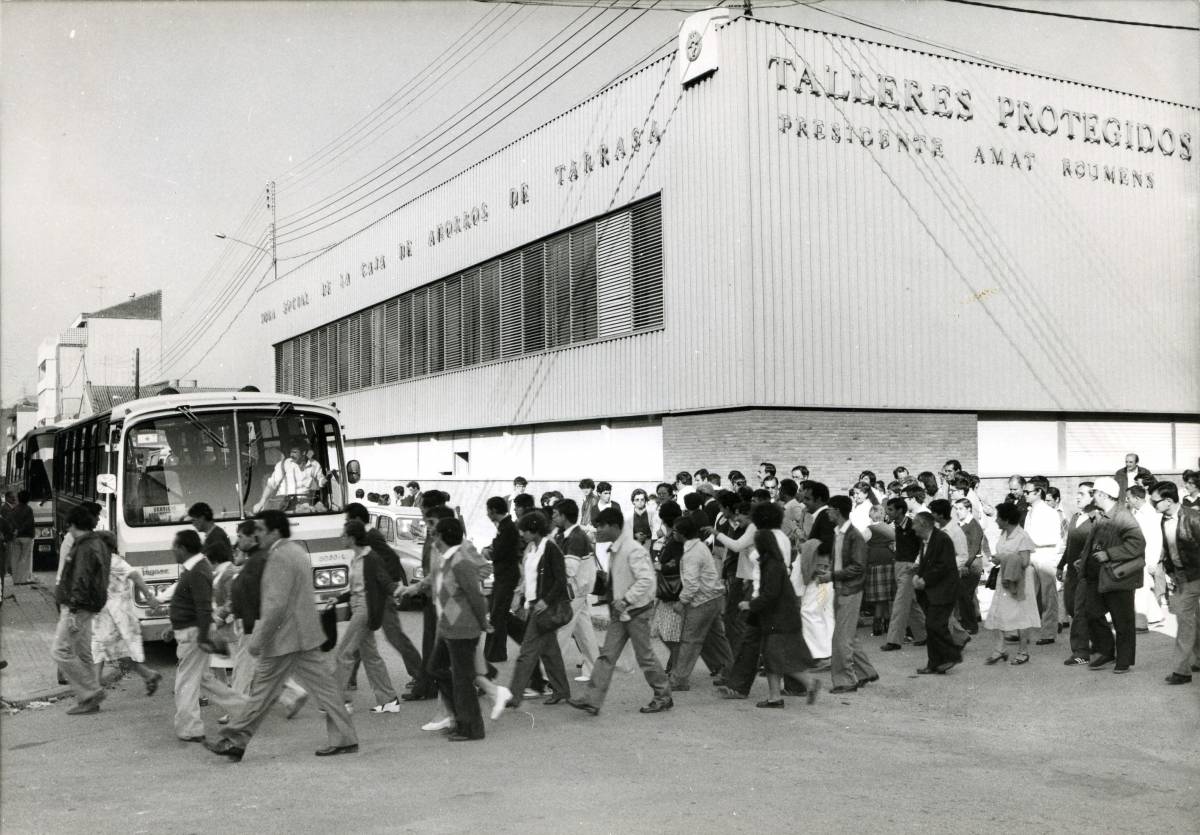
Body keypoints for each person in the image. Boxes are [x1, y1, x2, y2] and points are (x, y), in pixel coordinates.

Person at [206, 510, 358, 761]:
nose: (258, 535)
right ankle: (345, 739)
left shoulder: (277, 557)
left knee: (261, 694)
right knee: (326, 691)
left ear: (275, 531)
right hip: (302, 636)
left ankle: (235, 740)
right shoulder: (295, 551)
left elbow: (275, 605)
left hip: (284, 640)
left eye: (261, 530)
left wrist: (257, 641)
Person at [568, 503, 672, 716]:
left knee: (645, 657)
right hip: (622, 611)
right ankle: (592, 699)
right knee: (606, 656)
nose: (598, 531)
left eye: (601, 526)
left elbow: (647, 580)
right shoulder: (618, 548)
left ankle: (663, 696)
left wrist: (626, 599)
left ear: (614, 526)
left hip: (635, 610)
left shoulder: (632, 549)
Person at [169, 529, 248, 742]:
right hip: (191, 631)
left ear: (184, 548)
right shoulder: (197, 568)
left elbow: (203, 608)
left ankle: (190, 728)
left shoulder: (197, 571)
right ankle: (246, 710)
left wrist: (204, 636)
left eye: (175, 546)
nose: (172, 550)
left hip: (193, 634)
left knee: (185, 682)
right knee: (205, 681)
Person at [228, 520, 307, 716]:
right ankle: (293, 694)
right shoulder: (255, 559)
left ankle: (236, 710)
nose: (237, 542)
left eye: (240, 537)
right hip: (254, 621)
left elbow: (257, 595)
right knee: (260, 666)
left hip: (252, 622)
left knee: (244, 668)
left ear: (252, 537)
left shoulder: (257, 561)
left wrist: (245, 621)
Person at [425, 516, 491, 740]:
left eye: (435, 533)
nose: (432, 536)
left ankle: (471, 728)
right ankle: (460, 718)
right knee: (436, 669)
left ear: (442, 537)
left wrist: (483, 623)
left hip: (462, 628)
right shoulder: (446, 558)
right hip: (448, 627)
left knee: (462, 680)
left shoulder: (460, 561)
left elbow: (475, 595)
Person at [345, 503, 424, 685]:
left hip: (380, 597)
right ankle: (348, 677)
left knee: (394, 636)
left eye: (348, 520)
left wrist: (386, 585)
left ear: (357, 519)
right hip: (370, 597)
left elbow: (392, 558)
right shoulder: (366, 536)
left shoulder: (371, 536)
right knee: (359, 636)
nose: (346, 524)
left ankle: (420, 675)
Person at [741, 529, 820, 708]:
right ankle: (775, 696)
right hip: (781, 617)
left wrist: (750, 605)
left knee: (776, 657)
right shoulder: (774, 563)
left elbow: (770, 594)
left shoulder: (771, 565)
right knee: (773, 657)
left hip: (778, 618)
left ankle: (807, 684)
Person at [1079, 477, 1145, 674]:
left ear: (1103, 494)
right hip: (1098, 575)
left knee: (1122, 620)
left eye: (1094, 494)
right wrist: (1083, 560)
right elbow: (1094, 543)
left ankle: (1123, 660)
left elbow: (1137, 544)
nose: (1092, 497)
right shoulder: (1102, 515)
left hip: (1118, 577)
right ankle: (1107, 651)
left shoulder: (1123, 517)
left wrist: (1109, 554)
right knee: (1092, 612)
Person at [333, 520, 401, 713]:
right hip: (358, 607)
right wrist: (338, 598)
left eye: (344, 535)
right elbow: (357, 587)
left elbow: (384, 581)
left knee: (344, 653)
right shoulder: (356, 558)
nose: (341, 538)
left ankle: (342, 701)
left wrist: (399, 591)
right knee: (371, 656)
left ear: (352, 538)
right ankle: (388, 700)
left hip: (365, 610)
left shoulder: (371, 558)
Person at [506, 511, 571, 708]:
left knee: (527, 653)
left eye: (525, 531)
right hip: (536, 605)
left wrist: (545, 601)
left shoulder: (550, 548)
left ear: (534, 531)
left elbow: (561, 580)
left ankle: (515, 695)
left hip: (543, 607)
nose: (522, 535)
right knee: (550, 652)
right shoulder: (533, 548)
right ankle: (561, 690)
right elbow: (531, 578)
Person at [52, 506, 112, 714]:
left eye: (68, 526)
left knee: (60, 651)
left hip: (76, 606)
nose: (67, 530)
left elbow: (80, 579)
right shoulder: (97, 543)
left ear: (73, 525)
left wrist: (73, 611)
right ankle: (89, 701)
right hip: (88, 606)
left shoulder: (85, 547)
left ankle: (91, 691)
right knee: (83, 652)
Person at [90, 530, 164, 696]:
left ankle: (95, 690)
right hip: (103, 614)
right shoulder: (99, 562)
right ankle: (96, 690)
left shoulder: (114, 562)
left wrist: (149, 596)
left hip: (116, 616)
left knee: (114, 652)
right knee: (100, 649)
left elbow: (135, 575)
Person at [668, 515, 732, 691]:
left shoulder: (692, 553)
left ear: (681, 534)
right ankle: (731, 672)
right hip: (713, 598)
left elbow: (691, 584)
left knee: (690, 640)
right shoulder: (700, 547)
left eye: (675, 531)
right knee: (717, 639)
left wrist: (682, 602)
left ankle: (679, 679)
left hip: (702, 601)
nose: (672, 533)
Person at [823, 496, 878, 693]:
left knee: (841, 638)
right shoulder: (841, 533)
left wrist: (831, 575)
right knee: (848, 634)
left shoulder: (852, 535)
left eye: (829, 510)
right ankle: (865, 672)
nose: (827, 512)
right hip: (842, 588)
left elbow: (858, 567)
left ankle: (846, 680)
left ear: (837, 511)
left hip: (849, 589)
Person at [1152, 482, 1200, 685]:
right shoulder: (1165, 519)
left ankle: (1182, 670)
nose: (1151, 504)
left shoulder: (1194, 518)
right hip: (1183, 577)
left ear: (1168, 501)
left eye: (1155, 501)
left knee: (1185, 622)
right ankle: (1188, 666)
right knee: (1188, 620)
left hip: (1195, 576)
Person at [982, 503, 1041, 666]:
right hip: (1006, 576)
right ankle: (1000, 649)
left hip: (1019, 580)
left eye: (998, 517)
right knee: (997, 611)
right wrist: (999, 557)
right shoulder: (1004, 533)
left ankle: (1023, 651)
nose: (995, 521)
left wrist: (1003, 558)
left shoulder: (1022, 536)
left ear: (1006, 519)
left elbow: (1024, 561)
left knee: (1021, 614)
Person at [552, 499, 600, 682]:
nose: (553, 517)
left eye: (556, 514)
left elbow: (570, 569)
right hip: (578, 589)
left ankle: (549, 674)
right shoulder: (567, 534)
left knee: (562, 630)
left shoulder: (575, 537)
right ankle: (594, 669)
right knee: (584, 630)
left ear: (564, 516)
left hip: (574, 589)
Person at [910, 512, 961, 675]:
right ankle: (934, 663)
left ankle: (951, 656)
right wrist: (918, 575)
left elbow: (943, 566)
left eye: (915, 524)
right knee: (931, 626)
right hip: (931, 591)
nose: (913, 528)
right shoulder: (925, 540)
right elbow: (927, 563)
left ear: (924, 524)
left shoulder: (942, 539)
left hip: (944, 590)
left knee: (935, 624)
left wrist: (925, 579)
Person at [1058, 483, 1097, 666]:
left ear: (1093, 497)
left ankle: (1081, 651)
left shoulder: (1095, 519)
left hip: (1086, 573)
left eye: (1082, 494)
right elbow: (1069, 546)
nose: (1078, 497)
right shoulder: (1075, 517)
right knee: (1071, 607)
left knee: (1082, 611)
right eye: (1077, 493)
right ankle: (1094, 641)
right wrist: (1061, 565)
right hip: (1071, 573)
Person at [881, 497, 927, 652]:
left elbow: (923, 544)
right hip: (899, 565)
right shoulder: (896, 525)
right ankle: (924, 635)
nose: (888, 512)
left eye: (891, 509)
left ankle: (894, 640)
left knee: (900, 603)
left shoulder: (913, 525)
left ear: (900, 510)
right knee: (911, 603)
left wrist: (917, 562)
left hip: (909, 567)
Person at [1021, 484, 1062, 646]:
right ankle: (1026, 631)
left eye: (1028, 492)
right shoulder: (1030, 512)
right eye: (1024, 492)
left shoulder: (1050, 513)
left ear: (1038, 493)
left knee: (1048, 596)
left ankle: (1049, 632)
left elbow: (1053, 538)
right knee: (1029, 595)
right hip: (1031, 555)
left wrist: (1032, 541)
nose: (1025, 495)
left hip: (1045, 555)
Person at [482, 497, 522, 663]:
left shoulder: (507, 527)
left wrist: (488, 552)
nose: (487, 514)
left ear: (493, 510)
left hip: (507, 577)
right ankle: (496, 652)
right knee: (500, 614)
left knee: (498, 615)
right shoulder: (504, 527)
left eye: (488, 510)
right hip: (502, 576)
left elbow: (499, 551)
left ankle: (495, 653)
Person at [650, 501, 684, 673]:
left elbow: (674, 562)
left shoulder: (674, 538)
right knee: (667, 632)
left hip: (672, 589)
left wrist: (660, 566)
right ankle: (675, 662)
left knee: (669, 633)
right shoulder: (674, 536)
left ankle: (676, 665)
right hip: (671, 589)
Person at [953, 498, 988, 635]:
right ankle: (967, 622)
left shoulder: (974, 525)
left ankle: (971, 625)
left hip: (971, 563)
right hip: (963, 562)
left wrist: (964, 564)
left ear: (968, 509)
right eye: (956, 509)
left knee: (965, 595)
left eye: (961, 509)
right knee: (964, 595)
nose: (958, 511)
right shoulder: (959, 524)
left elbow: (973, 548)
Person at [864, 504, 896, 636]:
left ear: (871, 515)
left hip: (874, 564)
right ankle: (887, 624)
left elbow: (861, 544)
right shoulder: (890, 528)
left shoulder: (868, 529)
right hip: (889, 562)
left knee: (879, 598)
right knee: (886, 597)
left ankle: (877, 626)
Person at [9, 490, 35, 585]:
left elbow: (11, 522)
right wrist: (21, 530)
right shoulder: (28, 509)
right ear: (28, 499)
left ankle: (15, 580)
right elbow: (28, 523)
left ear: (19, 499)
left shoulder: (14, 509)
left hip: (16, 537)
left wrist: (15, 531)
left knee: (15, 558)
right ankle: (23, 579)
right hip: (27, 536)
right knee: (24, 558)